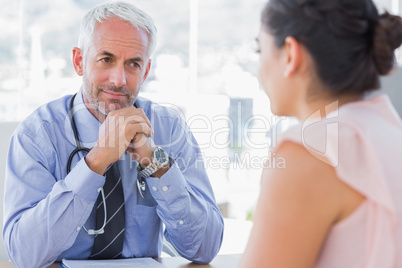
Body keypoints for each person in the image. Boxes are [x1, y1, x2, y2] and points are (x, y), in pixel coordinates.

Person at [3, 1, 224, 267]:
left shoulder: (169, 129)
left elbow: (204, 249)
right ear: (79, 61)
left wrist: (156, 165)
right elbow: (24, 255)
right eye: (106, 59)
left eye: (133, 64)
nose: (119, 79)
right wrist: (95, 163)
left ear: (146, 71)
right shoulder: (36, 135)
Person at [240, 0, 402, 267]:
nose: (260, 67)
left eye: (260, 49)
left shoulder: (309, 151)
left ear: (291, 54)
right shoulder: (389, 129)